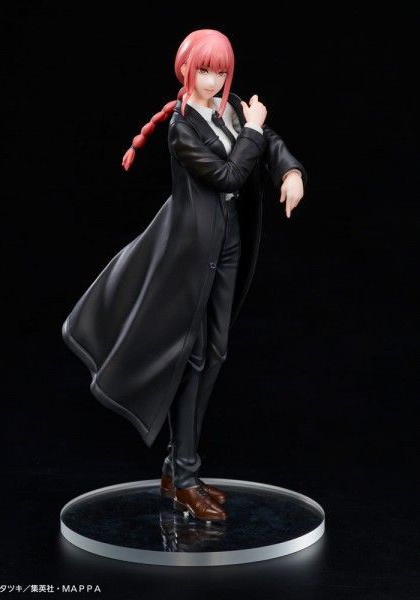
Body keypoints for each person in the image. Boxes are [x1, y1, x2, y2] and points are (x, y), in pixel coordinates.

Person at [62, 29, 306, 522]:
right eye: (205, 70)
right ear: (186, 69)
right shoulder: (181, 129)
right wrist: (254, 131)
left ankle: (179, 467)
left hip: (229, 241)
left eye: (221, 71)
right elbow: (230, 174)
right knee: (191, 358)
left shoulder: (229, 107)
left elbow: (269, 142)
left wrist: (289, 170)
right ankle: (185, 478)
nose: (213, 81)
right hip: (191, 251)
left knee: (216, 351)